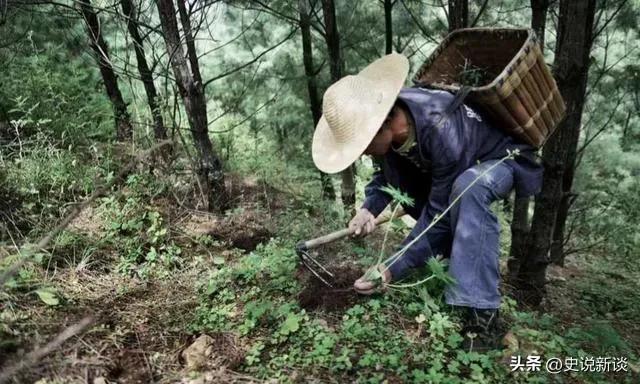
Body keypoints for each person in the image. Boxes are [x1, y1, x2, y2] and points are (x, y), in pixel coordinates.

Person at [311, 53, 543, 351]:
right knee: (455, 193)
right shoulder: (394, 124)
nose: (365, 154)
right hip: (455, 168)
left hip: (502, 159)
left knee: (467, 190)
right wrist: (368, 209)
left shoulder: (440, 129)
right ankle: (454, 265)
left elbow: (439, 214)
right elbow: (387, 178)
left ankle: (482, 319)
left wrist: (393, 266)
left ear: (386, 125)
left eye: (364, 145)